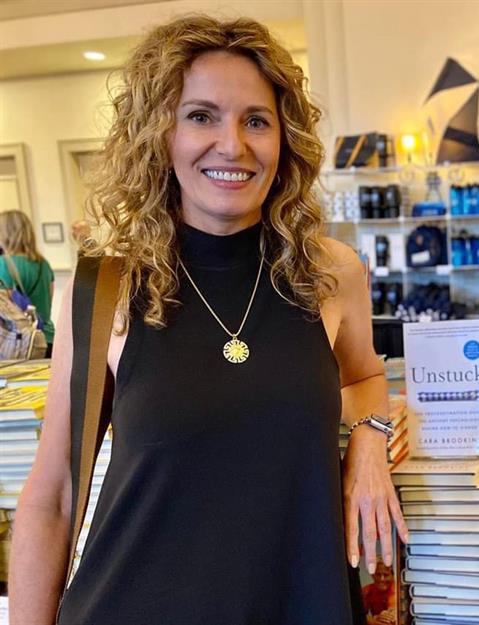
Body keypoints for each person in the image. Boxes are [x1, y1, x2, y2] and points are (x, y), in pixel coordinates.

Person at [9, 15, 407, 625]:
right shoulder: (102, 289)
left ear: (285, 139)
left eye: (256, 120)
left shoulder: (329, 274)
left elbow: (363, 377)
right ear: (159, 134)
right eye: (200, 116)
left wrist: (371, 442)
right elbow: (54, 497)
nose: (232, 144)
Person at [0, 209, 56, 356]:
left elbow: (4, 308)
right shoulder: (44, 264)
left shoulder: (3, 265)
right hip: (47, 338)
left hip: (20, 342)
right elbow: (49, 300)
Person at [361, 561, 397, 625]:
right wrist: (372, 621)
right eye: (378, 574)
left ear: (392, 576)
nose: (381, 579)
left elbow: (391, 616)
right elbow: (357, 615)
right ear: (373, 575)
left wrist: (388, 616)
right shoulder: (366, 591)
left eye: (386, 575)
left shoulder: (396, 590)